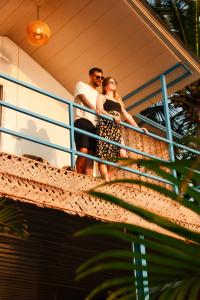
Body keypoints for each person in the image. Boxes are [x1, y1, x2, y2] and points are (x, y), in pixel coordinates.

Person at [96, 76, 148, 181]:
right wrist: (112, 117)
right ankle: (106, 180)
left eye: (115, 82)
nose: (114, 83)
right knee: (103, 156)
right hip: (105, 126)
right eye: (111, 82)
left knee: (123, 157)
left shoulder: (118, 102)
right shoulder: (102, 96)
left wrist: (138, 128)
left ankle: (104, 179)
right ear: (105, 86)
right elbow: (99, 109)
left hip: (115, 128)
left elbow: (127, 115)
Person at [74, 67, 104, 175]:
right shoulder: (81, 85)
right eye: (97, 77)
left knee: (91, 156)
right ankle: (77, 175)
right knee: (83, 152)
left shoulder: (99, 95)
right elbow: (82, 97)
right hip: (82, 120)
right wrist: (92, 108)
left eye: (102, 78)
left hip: (95, 126)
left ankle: (88, 183)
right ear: (91, 76)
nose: (100, 79)